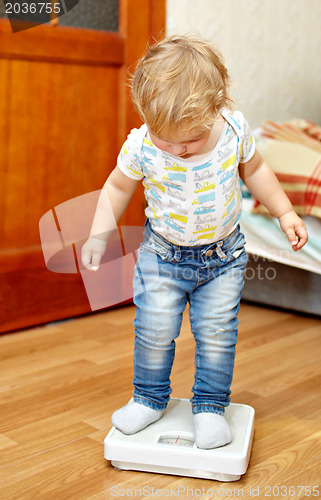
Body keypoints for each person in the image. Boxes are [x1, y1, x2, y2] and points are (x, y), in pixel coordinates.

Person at [81, 35, 308, 449]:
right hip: (162, 256)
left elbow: (256, 170)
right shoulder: (143, 144)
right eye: (167, 140)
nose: (178, 150)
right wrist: (99, 235)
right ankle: (148, 398)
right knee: (153, 329)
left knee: (217, 332)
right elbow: (115, 188)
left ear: (216, 107)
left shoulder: (233, 129)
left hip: (223, 259)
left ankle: (210, 407)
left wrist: (286, 212)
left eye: (190, 141)